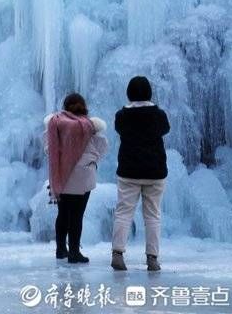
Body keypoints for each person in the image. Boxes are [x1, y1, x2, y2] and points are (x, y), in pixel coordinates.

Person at [111, 76, 170, 272]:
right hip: (155, 171)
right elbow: (165, 129)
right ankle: (152, 258)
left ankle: (117, 254)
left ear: (129, 93)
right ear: (149, 93)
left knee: (123, 213)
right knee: (153, 215)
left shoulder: (122, 116)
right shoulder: (158, 115)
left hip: (129, 171)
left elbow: (119, 129)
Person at [45, 93, 108, 264]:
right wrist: (91, 160)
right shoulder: (90, 126)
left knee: (63, 213)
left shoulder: (55, 124)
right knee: (77, 215)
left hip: (62, 176)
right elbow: (103, 147)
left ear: (65, 107)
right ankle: (74, 252)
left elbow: (47, 148)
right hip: (83, 176)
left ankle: (60, 249)